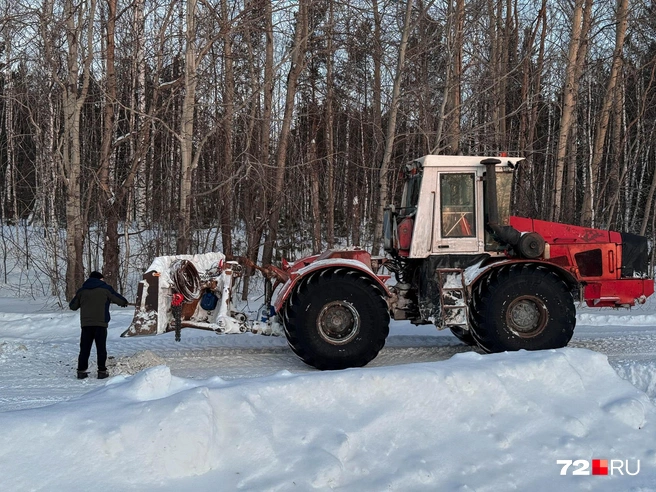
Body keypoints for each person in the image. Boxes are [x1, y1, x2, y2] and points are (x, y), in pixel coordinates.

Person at [69, 271, 129, 379]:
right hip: (101, 323)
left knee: (84, 348)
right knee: (101, 348)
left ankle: (81, 371)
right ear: (100, 279)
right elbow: (119, 300)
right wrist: (124, 303)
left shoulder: (82, 290)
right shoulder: (105, 289)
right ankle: (102, 371)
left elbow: (73, 306)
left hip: (86, 324)